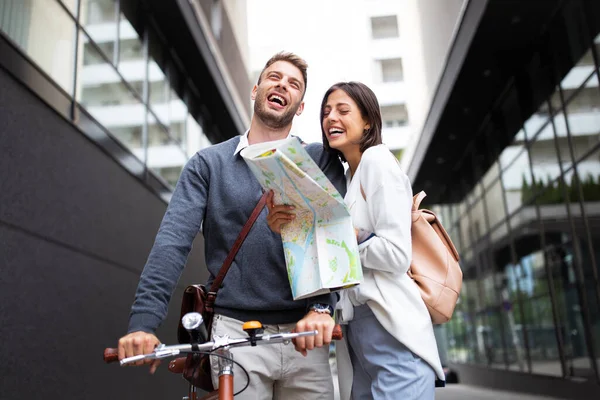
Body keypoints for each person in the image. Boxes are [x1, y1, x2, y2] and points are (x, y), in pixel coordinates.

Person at [117, 52, 345, 400]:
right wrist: (143, 323)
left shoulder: (320, 159)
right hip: (234, 334)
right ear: (256, 90)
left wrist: (323, 308)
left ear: (299, 107)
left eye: (293, 84)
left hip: (306, 336)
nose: (282, 84)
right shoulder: (208, 164)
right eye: (274, 77)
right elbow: (172, 242)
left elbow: (338, 236)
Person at [268, 82, 445, 400]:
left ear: (368, 120)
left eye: (342, 110)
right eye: (326, 112)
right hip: (360, 333)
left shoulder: (378, 162)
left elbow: (396, 254)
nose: (331, 118)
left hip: (390, 328)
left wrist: (339, 241)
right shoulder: (351, 176)